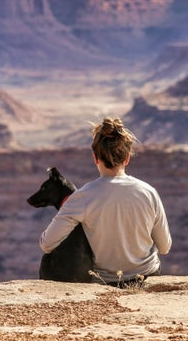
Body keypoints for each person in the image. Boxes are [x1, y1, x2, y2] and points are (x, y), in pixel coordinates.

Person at [39, 117, 172, 286]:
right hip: (148, 277)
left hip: (107, 282)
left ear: (95, 157)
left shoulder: (82, 197)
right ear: (127, 159)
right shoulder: (149, 192)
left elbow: (46, 244)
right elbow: (165, 247)